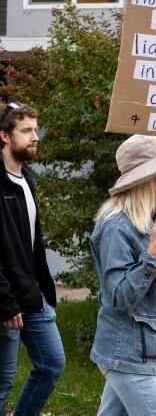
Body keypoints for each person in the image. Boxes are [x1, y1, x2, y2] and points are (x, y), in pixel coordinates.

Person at [89, 134, 156, 415]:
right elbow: (121, 297)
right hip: (127, 354)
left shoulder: (151, 222)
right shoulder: (116, 226)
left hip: (138, 351)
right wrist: (154, 253)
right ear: (151, 176)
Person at [0, 100, 66, 415]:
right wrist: (6, 301)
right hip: (5, 300)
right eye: (26, 130)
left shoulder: (28, 179)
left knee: (52, 363)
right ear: (4, 136)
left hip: (32, 294)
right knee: (2, 382)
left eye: (35, 130)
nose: (35, 136)